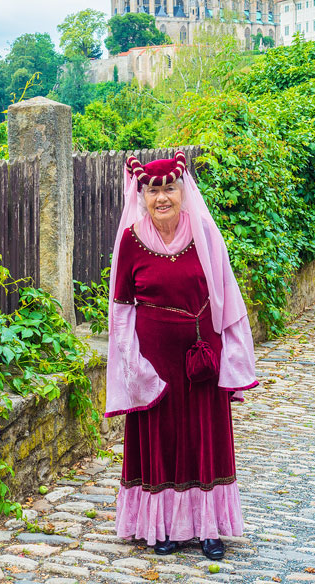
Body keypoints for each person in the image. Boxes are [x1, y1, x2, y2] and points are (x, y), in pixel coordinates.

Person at [104, 150, 258, 560]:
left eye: (169, 188)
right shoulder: (131, 240)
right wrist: (131, 363)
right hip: (154, 361)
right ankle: (162, 527)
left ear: (182, 189)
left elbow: (227, 295)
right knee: (163, 440)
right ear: (142, 196)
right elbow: (121, 308)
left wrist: (231, 354)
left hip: (200, 357)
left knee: (204, 438)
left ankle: (209, 530)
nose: (162, 198)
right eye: (153, 191)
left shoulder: (204, 232)